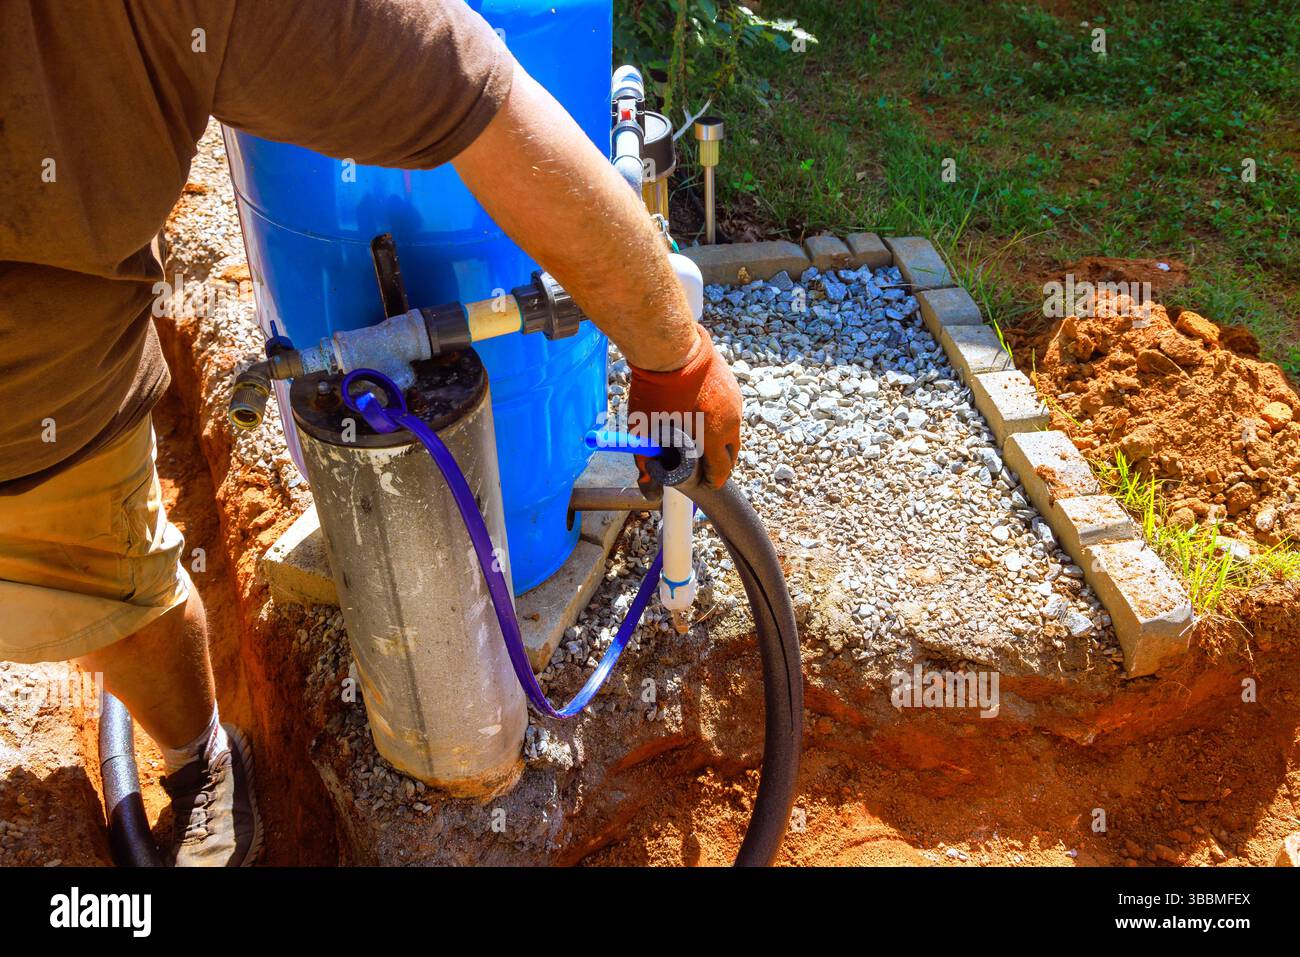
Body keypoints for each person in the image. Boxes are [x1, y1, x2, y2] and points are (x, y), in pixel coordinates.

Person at [0, 0, 742, 866]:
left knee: (122, 606)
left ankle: (197, 756)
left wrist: (674, 352)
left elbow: (477, 95)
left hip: (55, 411)